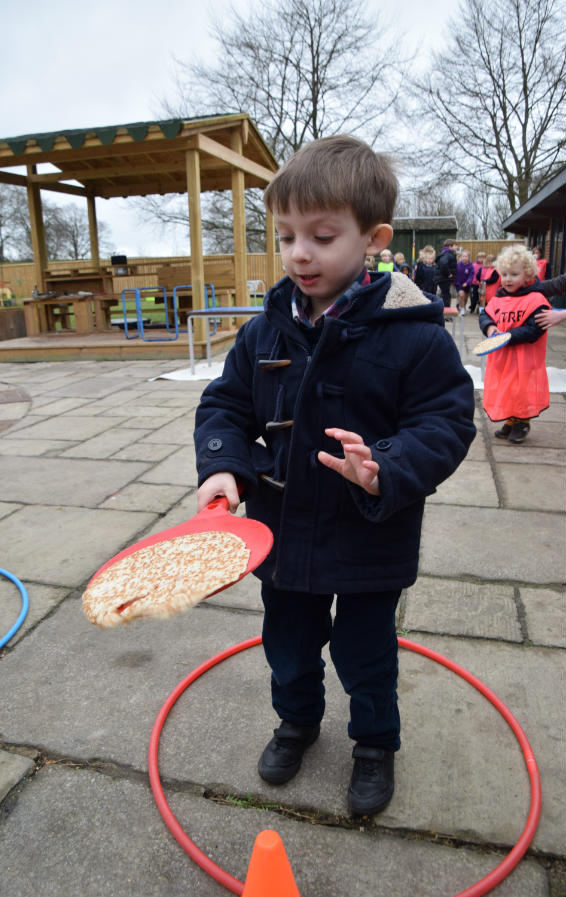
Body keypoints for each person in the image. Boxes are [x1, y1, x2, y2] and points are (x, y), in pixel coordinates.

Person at [194, 135, 476, 817]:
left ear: (374, 239)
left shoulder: (414, 333)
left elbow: (446, 420)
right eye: (286, 236)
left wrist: (387, 465)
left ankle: (375, 743)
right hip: (283, 533)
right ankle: (296, 722)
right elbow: (225, 404)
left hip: (369, 536)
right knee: (288, 644)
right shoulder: (264, 332)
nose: (299, 253)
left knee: (365, 651)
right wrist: (224, 465)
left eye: (321, 237)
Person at [479, 244, 551, 444]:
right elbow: (485, 315)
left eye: (514, 274)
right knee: (507, 388)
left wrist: (507, 336)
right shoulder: (499, 297)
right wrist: (489, 328)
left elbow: (535, 329)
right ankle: (511, 419)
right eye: (504, 274)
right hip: (502, 359)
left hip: (524, 358)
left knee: (521, 390)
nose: (508, 279)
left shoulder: (536, 299)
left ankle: (522, 422)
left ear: (527, 275)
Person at [435, 239, 458, 307]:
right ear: (450, 246)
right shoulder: (448, 254)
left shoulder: (446, 253)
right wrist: (449, 274)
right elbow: (443, 264)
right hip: (444, 279)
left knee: (445, 294)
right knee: (446, 295)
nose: (457, 247)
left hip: (443, 278)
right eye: (455, 245)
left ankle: (444, 309)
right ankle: (446, 310)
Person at [455, 250, 475, 316]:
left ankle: (462, 306)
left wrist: (467, 283)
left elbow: (471, 276)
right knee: (461, 295)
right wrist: (456, 282)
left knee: (465, 298)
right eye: (463, 256)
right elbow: (455, 274)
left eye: (466, 256)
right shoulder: (458, 265)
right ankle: (462, 309)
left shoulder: (471, 266)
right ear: (461, 257)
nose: (464, 258)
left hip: (467, 284)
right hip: (458, 283)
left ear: (469, 258)